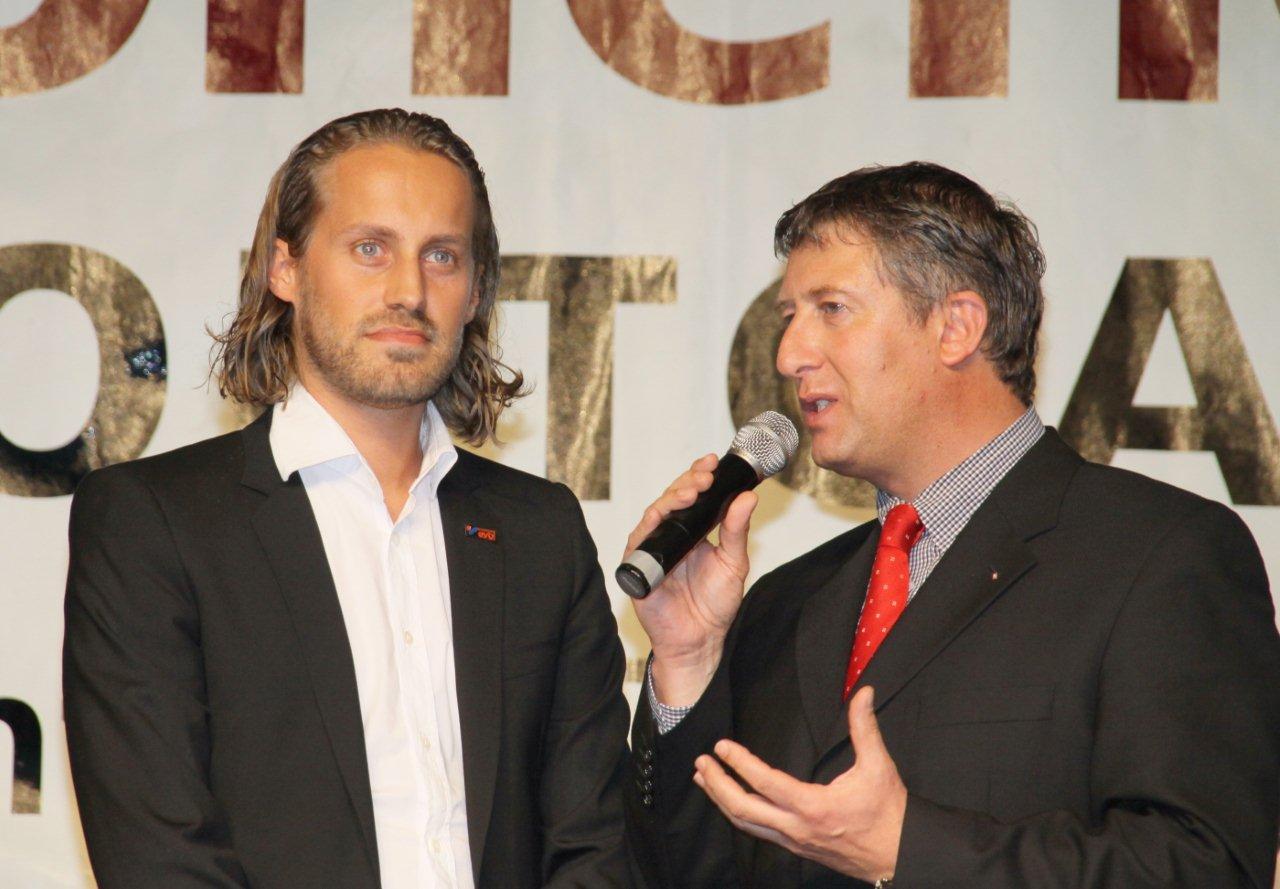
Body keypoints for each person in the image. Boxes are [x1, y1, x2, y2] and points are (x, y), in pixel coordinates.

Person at [624, 162, 1280, 888]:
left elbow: (1205, 865)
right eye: (789, 317)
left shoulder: (1163, 556)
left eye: (832, 309)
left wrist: (908, 849)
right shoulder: (786, 602)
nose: (789, 355)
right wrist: (687, 664)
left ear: (957, 326)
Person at [63, 108, 631, 889]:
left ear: (475, 292)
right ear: (285, 268)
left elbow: (594, 842)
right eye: (371, 248)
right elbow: (160, 857)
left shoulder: (543, 532)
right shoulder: (152, 523)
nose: (409, 290)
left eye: (442, 255)